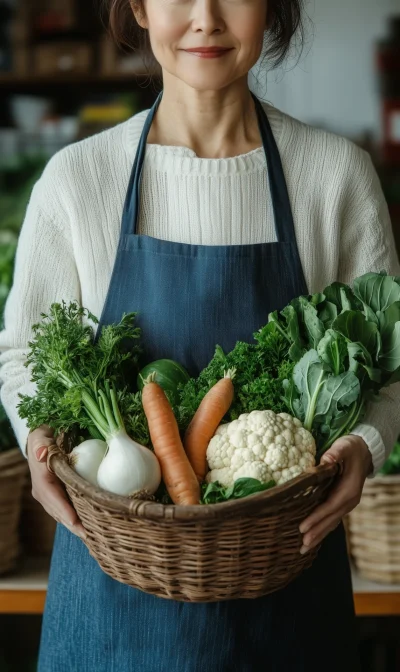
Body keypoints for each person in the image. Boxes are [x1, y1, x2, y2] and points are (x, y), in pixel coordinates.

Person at [1, 0, 399, 669]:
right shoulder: (79, 179)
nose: (206, 18)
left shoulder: (334, 176)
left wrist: (366, 444)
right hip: (110, 607)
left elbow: (390, 362)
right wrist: (39, 440)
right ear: (139, 6)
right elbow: (20, 354)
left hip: (288, 600)